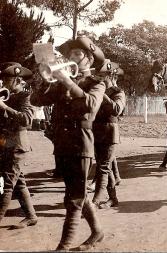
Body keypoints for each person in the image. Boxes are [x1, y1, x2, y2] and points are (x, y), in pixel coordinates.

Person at [31, 36, 106, 251]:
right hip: (63, 145)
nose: (71, 57)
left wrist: (67, 81)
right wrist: (46, 81)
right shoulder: (60, 81)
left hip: (82, 145)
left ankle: (63, 247)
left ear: (89, 60)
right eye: (70, 54)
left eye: (77, 54)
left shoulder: (97, 82)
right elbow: (37, 101)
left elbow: (90, 106)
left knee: (74, 199)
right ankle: (97, 231)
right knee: (78, 191)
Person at [0, 62, 38, 229]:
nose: (4, 83)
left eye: (7, 80)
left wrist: (3, 106)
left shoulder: (25, 95)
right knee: (18, 182)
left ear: (16, 80)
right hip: (6, 144)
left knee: (8, 185)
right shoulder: (7, 95)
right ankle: (31, 216)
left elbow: (26, 120)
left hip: (17, 145)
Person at [91, 59, 126, 209]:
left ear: (110, 76)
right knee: (104, 165)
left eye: (102, 76)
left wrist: (102, 95)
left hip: (110, 133)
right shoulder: (96, 89)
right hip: (96, 132)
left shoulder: (118, 92)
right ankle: (113, 199)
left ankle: (95, 201)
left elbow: (117, 109)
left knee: (103, 167)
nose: (99, 78)